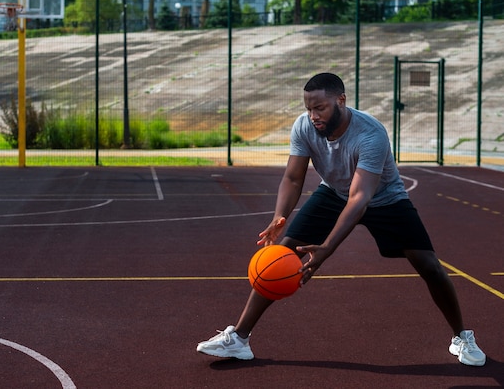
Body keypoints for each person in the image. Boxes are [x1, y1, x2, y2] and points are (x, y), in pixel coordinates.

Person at [196, 72, 486, 367]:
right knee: (279, 254)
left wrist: (326, 249)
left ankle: (462, 336)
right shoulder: (303, 126)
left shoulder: (370, 133)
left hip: (385, 199)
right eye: (309, 108)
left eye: (320, 108)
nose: (313, 116)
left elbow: (360, 198)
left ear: (340, 101)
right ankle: (239, 339)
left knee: (429, 265)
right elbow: (294, 178)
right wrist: (279, 216)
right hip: (333, 193)